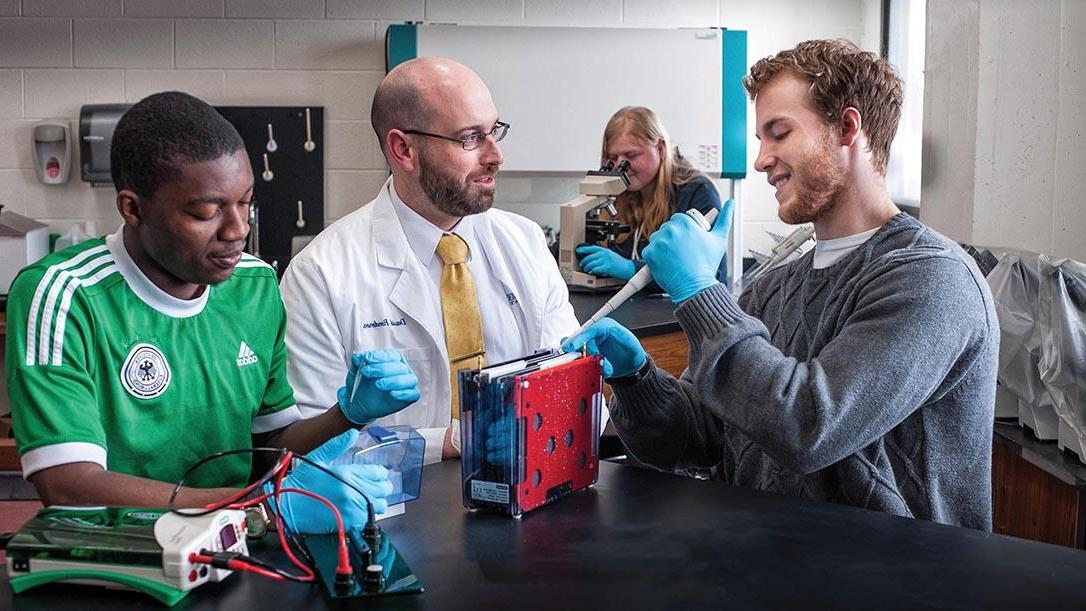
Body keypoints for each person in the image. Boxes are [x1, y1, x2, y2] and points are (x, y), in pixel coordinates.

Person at [563, 40, 999, 530]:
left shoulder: (931, 279)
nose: (761, 160)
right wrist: (636, 377)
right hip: (767, 566)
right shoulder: (776, 284)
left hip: (893, 584)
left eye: (779, 134)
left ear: (847, 128)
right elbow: (703, 436)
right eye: (760, 140)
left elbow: (807, 427)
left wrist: (697, 291)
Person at [6, 91, 421, 533]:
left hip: (234, 546)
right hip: (123, 559)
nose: (238, 229)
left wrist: (348, 414)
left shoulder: (255, 286)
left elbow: (270, 440)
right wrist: (262, 508)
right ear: (133, 208)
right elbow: (69, 488)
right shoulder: (65, 295)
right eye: (207, 212)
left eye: (245, 203)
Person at [280, 58, 579, 465]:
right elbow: (314, 446)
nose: (496, 156)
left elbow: (565, 388)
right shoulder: (321, 273)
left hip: (525, 492)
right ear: (403, 149)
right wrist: (456, 441)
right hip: (396, 512)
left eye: (494, 131)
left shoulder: (523, 242)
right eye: (471, 138)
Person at [575, 106, 727, 287]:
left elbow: (707, 274)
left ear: (661, 149)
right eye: (613, 158)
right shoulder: (616, 194)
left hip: (678, 311)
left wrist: (631, 269)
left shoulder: (696, 192)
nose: (620, 166)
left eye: (631, 155)